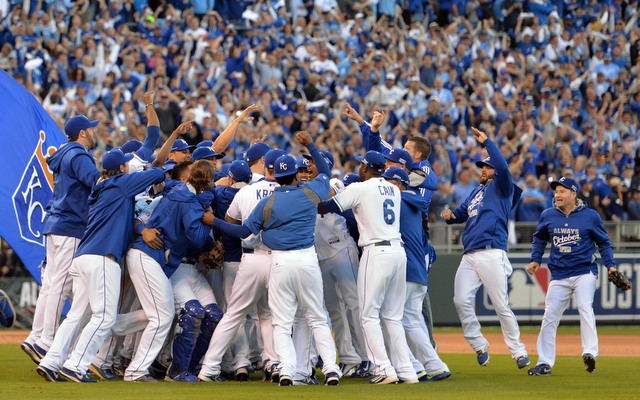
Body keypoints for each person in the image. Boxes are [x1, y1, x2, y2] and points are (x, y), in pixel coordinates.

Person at [204, 132, 342, 386]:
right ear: (296, 173)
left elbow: (243, 232)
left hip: (279, 262)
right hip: (307, 260)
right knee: (316, 317)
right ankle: (331, 369)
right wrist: (310, 144)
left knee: (281, 321)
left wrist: (216, 222)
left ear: (275, 175)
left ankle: (287, 370)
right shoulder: (310, 192)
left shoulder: (268, 202)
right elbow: (324, 173)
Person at [36, 149, 165, 383]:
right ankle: (76, 366)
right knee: (104, 317)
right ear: (121, 168)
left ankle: (52, 361)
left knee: (77, 316)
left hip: (83, 257)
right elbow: (156, 174)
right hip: (102, 257)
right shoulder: (119, 184)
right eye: (126, 164)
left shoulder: (102, 187)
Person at [322, 150, 419, 385]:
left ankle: (383, 368)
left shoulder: (360, 188)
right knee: (393, 317)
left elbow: (326, 207)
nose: (358, 169)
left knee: (368, 315)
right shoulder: (394, 189)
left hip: (377, 251)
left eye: (360, 166)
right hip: (398, 251)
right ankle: (406, 370)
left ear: (365, 168)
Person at [440, 127, 529, 369]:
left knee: (501, 305)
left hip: (492, 251)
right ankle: (479, 344)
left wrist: (488, 142)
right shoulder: (475, 193)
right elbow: (460, 214)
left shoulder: (502, 189)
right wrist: (449, 216)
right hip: (469, 255)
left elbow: (503, 167)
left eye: (487, 167)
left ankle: (519, 351)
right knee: (461, 300)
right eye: (482, 167)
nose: (483, 170)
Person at [197, 149, 286, 383]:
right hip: (277, 259)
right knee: (268, 315)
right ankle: (273, 362)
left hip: (250, 256)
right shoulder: (288, 193)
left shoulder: (247, 191)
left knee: (234, 314)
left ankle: (212, 368)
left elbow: (231, 223)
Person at [21, 115, 100, 365]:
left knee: (51, 284)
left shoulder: (65, 153)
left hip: (56, 224)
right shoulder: (78, 155)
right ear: (82, 133)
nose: (93, 132)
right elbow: (97, 184)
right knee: (61, 285)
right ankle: (46, 341)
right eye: (90, 129)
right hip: (71, 225)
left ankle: (36, 336)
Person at [526, 177, 619, 376]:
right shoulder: (548, 215)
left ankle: (590, 353)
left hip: (584, 271)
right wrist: (536, 259)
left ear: (573, 194)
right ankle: (544, 363)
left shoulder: (590, 216)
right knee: (549, 317)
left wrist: (610, 265)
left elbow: (604, 243)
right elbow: (540, 238)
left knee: (585, 307)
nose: (557, 195)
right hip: (559, 274)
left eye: (562, 191)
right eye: (556, 191)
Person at [382, 167, 451, 382]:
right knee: (410, 320)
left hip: (406, 270)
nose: (383, 185)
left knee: (394, 319)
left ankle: (417, 366)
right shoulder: (413, 201)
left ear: (399, 184)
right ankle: (430, 366)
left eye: (388, 182)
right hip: (418, 271)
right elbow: (428, 186)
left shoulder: (398, 201)